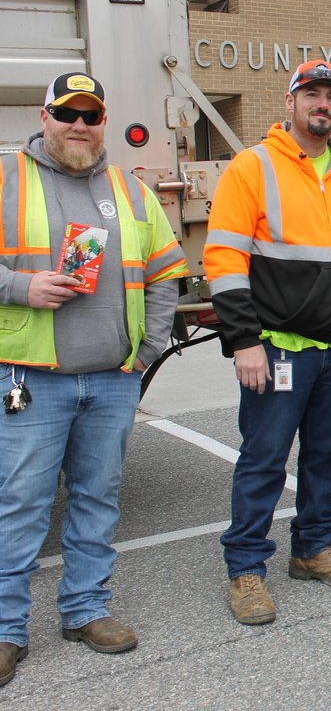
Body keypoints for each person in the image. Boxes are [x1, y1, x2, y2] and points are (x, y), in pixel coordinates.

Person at [204, 60, 331, 625]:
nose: (322, 103)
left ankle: (312, 549)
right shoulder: (254, 166)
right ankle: (246, 568)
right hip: (278, 347)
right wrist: (243, 340)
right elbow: (223, 259)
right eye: (311, 94)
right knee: (265, 459)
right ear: (289, 102)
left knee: (327, 458)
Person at [0, 72, 188, 684]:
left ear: (103, 121)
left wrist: (146, 351)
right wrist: (22, 287)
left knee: (96, 499)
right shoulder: (6, 179)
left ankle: (85, 609)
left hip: (111, 378)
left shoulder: (129, 189)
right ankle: (6, 629)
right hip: (34, 379)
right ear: (44, 115)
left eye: (91, 115)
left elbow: (166, 274)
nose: (79, 125)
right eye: (67, 113)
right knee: (22, 506)